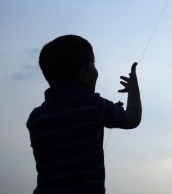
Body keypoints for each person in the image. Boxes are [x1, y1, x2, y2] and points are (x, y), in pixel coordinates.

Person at [27, 34, 142, 193]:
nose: (96, 71)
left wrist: (101, 113)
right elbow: (134, 117)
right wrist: (134, 88)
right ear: (83, 75)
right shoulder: (95, 107)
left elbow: (69, 125)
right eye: (93, 64)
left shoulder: (36, 119)